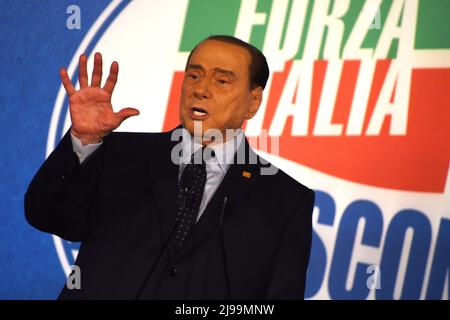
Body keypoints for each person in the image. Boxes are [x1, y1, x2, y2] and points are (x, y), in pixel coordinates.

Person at [24, 35, 315, 299]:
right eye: (194, 75)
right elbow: (46, 215)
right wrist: (82, 140)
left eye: (221, 81)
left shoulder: (286, 200)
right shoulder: (117, 154)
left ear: (254, 101)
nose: (200, 89)